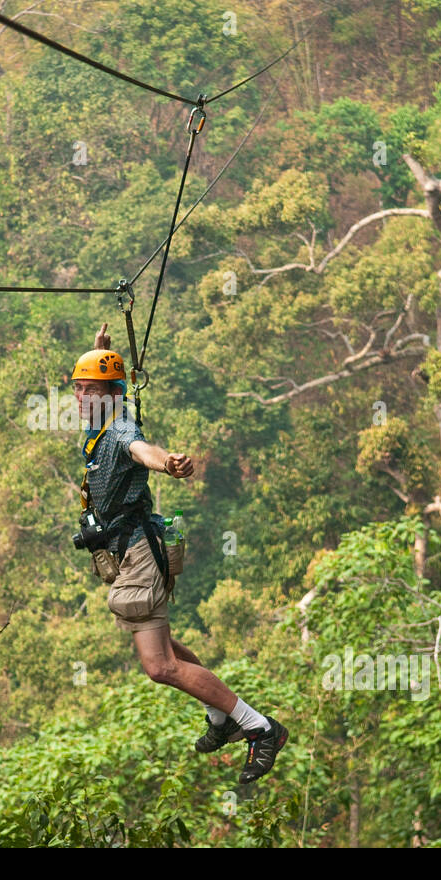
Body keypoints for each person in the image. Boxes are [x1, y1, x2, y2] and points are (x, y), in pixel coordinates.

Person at [70, 323, 288, 783]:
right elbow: (114, 396)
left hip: (138, 553)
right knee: (166, 647)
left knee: (159, 666)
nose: (78, 397)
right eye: (76, 388)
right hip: (130, 552)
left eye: (88, 389)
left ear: (109, 394)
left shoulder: (119, 429)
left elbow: (142, 449)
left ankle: (258, 726)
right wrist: (101, 352)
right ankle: (220, 717)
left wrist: (168, 463)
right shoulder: (104, 417)